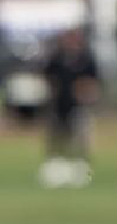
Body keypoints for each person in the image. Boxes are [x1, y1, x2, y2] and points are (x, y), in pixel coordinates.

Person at [38, 26, 97, 188]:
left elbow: (92, 81)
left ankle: (82, 168)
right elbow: (47, 76)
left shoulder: (85, 59)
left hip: (78, 105)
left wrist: (86, 95)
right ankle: (55, 167)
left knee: (81, 137)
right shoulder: (57, 58)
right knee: (56, 137)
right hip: (59, 104)